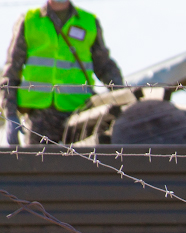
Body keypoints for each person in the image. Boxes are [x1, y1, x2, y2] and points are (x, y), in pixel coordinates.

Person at [2, 0, 124, 145]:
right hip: (40, 117)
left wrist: (123, 97)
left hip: (80, 114)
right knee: (36, 165)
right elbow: (11, 73)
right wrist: (10, 115)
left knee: (83, 166)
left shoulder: (88, 21)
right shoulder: (29, 21)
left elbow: (104, 66)